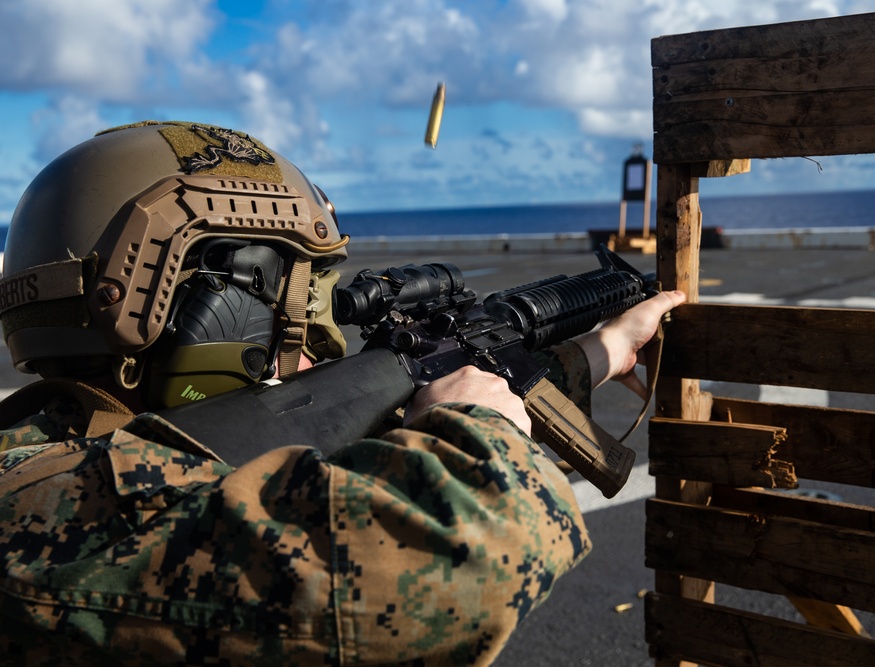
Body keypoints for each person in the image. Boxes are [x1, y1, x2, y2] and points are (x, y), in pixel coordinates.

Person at [0, 121, 685, 666]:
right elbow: (464, 562)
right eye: (295, 298)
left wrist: (595, 353)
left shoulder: (51, 454)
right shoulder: (57, 522)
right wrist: (476, 425)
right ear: (203, 313)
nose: (321, 342)